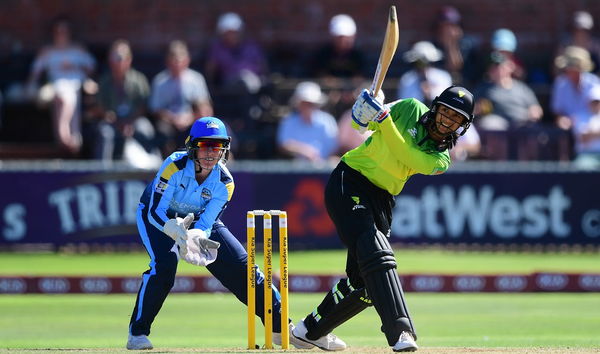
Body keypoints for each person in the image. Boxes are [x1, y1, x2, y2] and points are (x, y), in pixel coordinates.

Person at [291, 86, 475, 352]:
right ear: (435, 108)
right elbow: (359, 125)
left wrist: (383, 119)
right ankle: (401, 330)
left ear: (463, 126)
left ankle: (308, 331)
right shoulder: (410, 107)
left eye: (456, 118)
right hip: (351, 180)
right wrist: (363, 110)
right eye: (446, 111)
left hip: (383, 199)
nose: (448, 120)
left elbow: (407, 155)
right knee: (377, 251)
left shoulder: (440, 159)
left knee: (365, 284)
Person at [126, 116, 315, 350]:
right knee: (164, 267)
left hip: (198, 220)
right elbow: (155, 210)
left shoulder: (225, 182)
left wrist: (196, 236)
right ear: (192, 147)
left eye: (216, 147)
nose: (210, 153)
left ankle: (280, 327)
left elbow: (207, 222)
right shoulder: (173, 166)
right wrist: (172, 229)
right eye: (204, 146)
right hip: (158, 218)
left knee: (242, 267)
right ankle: (137, 333)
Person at [26, 15, 96, 154]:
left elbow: (91, 69)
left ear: (70, 32)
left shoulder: (78, 49)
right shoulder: (47, 51)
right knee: (63, 96)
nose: (61, 34)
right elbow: (35, 72)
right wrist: (31, 85)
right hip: (55, 86)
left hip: (76, 84)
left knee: (67, 96)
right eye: (58, 31)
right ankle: (70, 137)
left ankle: (64, 140)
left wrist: (73, 67)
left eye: (64, 30)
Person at [91, 39, 159, 167]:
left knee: (145, 128)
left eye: (120, 58)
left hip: (133, 120)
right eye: (113, 58)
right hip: (112, 122)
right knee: (104, 132)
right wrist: (117, 122)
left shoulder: (139, 80)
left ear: (128, 60)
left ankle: (154, 170)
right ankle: (101, 172)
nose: (116, 62)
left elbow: (143, 106)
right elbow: (101, 108)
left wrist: (130, 122)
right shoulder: (104, 81)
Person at [149, 40, 213, 156]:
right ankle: (166, 165)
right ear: (167, 62)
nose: (177, 64)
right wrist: (174, 119)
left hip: (192, 120)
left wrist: (189, 118)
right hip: (168, 122)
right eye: (173, 61)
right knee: (162, 131)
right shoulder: (159, 81)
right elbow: (155, 109)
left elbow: (205, 107)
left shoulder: (196, 79)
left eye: (179, 61)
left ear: (187, 60)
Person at [474, 51, 543, 130]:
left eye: (498, 66)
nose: (496, 70)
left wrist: (533, 114)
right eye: (492, 67)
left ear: (509, 67)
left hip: (522, 124)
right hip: (498, 127)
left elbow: (536, 108)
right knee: (488, 123)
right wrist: (480, 109)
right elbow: (473, 109)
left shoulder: (522, 88)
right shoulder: (483, 88)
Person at [276, 81, 339, 162]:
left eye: (311, 103)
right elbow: (283, 144)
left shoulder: (327, 120)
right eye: (305, 103)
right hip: (296, 169)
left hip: (324, 168)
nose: (308, 106)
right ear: (298, 104)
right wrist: (304, 150)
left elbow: (334, 147)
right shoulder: (288, 121)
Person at [397, 41, 452, 106]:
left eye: (426, 63)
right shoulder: (407, 79)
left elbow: (446, 101)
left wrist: (430, 93)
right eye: (419, 63)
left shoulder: (443, 77)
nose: (423, 67)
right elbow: (404, 103)